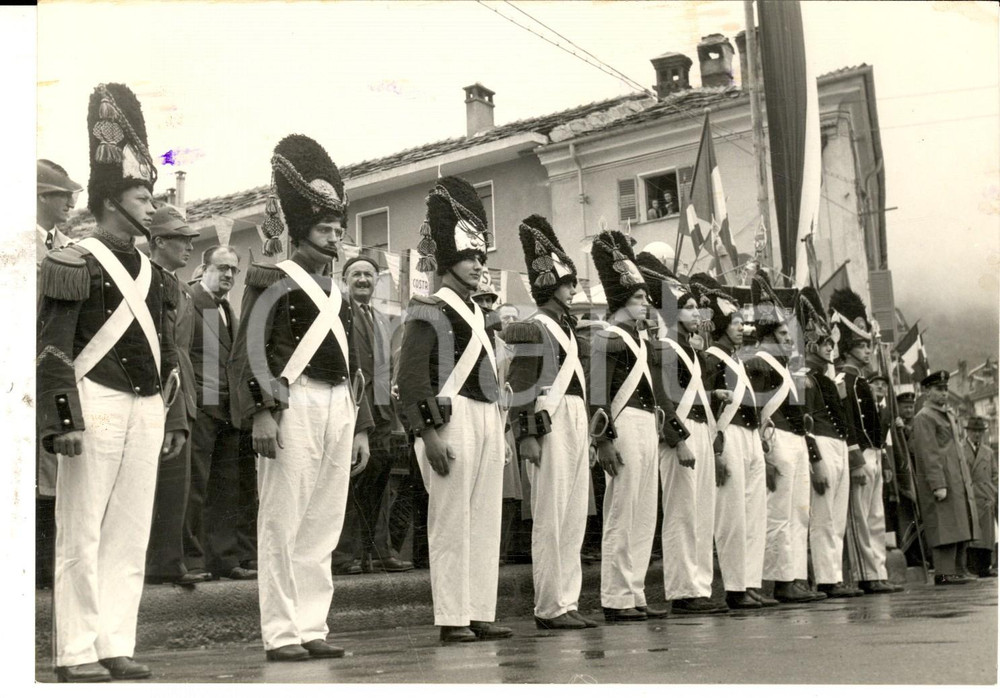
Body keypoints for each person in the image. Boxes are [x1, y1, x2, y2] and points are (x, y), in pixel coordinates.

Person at [38, 83, 185, 682]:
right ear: (111, 200)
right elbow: (52, 349)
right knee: (83, 528)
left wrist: (173, 417)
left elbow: (167, 351)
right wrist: (61, 422)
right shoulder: (73, 259)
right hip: (92, 398)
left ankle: (115, 643)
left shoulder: (154, 270)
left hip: (147, 405)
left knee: (130, 529)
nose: (151, 206)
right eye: (141, 194)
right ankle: (75, 650)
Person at [231, 134, 373, 661]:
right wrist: (262, 413)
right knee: (283, 520)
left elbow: (355, 363)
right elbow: (250, 348)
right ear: (301, 230)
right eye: (324, 229)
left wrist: (360, 425)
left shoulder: (338, 293)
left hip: (338, 405)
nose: (334, 238)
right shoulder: (271, 276)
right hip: (291, 403)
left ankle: (314, 626)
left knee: (323, 523)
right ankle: (282, 632)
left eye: (338, 229)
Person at [397, 176, 510, 643]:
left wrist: (499, 429)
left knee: (484, 519)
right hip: (450, 418)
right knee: (450, 520)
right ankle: (451, 616)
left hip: (485, 417)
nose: (477, 264)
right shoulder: (429, 308)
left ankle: (480, 610)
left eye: (480, 256)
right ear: (448, 261)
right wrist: (429, 436)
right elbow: (411, 380)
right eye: (468, 256)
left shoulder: (479, 316)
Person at [505, 215, 595, 630]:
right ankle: (549, 605)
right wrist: (525, 435)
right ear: (550, 286)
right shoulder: (531, 328)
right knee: (551, 516)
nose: (574, 290)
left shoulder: (568, 329)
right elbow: (521, 387)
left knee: (574, 515)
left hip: (573, 417)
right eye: (568, 284)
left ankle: (568, 599)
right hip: (547, 421)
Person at [588, 231, 664, 623]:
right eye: (638, 298)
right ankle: (616, 596)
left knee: (644, 514)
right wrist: (603, 441)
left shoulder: (640, 340)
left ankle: (634, 591)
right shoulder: (606, 337)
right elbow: (597, 396)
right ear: (620, 302)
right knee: (622, 511)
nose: (645, 304)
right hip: (623, 424)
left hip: (646, 426)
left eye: (646, 298)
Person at [644, 266, 728, 615]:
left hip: (700, 434)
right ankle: (682, 591)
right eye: (690, 307)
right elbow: (662, 398)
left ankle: (701, 587)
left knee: (702, 515)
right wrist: (677, 441)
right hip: (681, 438)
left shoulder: (693, 352)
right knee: (682, 514)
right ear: (673, 312)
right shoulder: (664, 348)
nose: (698, 313)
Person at [745, 271, 824, 603]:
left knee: (799, 512)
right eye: (781, 333)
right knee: (779, 513)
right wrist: (764, 452)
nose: (789, 339)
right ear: (767, 335)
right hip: (776, 441)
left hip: (795, 442)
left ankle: (795, 576)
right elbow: (755, 410)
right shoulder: (758, 364)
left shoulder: (785, 367)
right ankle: (781, 580)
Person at [333, 255, 414, 574]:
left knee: (380, 483)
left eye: (368, 274)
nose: (362, 280)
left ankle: (379, 551)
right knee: (352, 482)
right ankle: (343, 555)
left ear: (377, 280)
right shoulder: (340, 313)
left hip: (382, 411)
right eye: (356, 274)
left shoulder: (382, 318)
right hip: (352, 408)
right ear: (345, 280)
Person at [698, 272, 773, 609]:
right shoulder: (712, 358)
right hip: (728, 437)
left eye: (743, 323)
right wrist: (715, 447)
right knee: (732, 516)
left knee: (754, 512)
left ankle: (750, 581)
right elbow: (709, 407)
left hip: (750, 437)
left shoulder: (737, 360)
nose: (742, 328)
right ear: (721, 326)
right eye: (735, 323)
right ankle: (735, 586)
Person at [185, 244, 258, 582]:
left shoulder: (229, 310)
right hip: (200, 408)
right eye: (222, 267)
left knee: (227, 489)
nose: (228, 275)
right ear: (205, 267)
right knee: (194, 487)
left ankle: (224, 559)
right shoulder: (189, 301)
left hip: (229, 411)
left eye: (233, 270)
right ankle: (192, 560)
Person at [144, 205, 207, 586]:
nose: (188, 247)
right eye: (181, 240)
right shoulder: (147, 281)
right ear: (158, 241)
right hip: (155, 389)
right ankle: (158, 560)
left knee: (176, 483)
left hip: (182, 391)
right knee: (157, 479)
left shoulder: (182, 288)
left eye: (190, 240)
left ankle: (168, 559)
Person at [829, 289, 902, 594]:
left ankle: (878, 571)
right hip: (859, 459)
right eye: (860, 345)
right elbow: (847, 424)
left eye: (868, 344)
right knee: (859, 517)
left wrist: (879, 458)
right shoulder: (843, 382)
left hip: (873, 455)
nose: (867, 350)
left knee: (875, 517)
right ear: (846, 349)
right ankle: (865, 574)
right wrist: (857, 459)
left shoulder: (861, 382)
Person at [35, 159, 83, 590]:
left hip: (52, 372)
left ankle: (47, 573)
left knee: (53, 469)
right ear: (38, 196)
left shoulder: (70, 248)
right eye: (61, 194)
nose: (71, 202)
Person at [797, 288, 863, 599]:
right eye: (824, 343)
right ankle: (825, 578)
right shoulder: (808, 378)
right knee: (823, 517)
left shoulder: (828, 377)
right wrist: (815, 460)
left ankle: (834, 575)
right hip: (821, 444)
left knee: (837, 516)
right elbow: (805, 423)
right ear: (811, 344)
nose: (830, 348)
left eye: (831, 343)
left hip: (837, 444)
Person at [909, 371, 980, 585]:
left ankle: (959, 568)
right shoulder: (924, 417)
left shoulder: (946, 414)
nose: (944, 393)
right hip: (942, 478)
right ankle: (944, 571)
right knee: (944, 526)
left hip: (956, 477)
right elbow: (928, 453)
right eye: (939, 389)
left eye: (945, 389)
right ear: (927, 392)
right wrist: (937, 484)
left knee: (959, 523)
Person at [964, 417, 997, 577]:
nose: (977, 434)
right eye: (974, 431)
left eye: (980, 431)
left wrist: (993, 494)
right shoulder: (960, 450)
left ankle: (985, 567)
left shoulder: (988, 452)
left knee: (986, 534)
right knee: (972, 534)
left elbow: (995, 475)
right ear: (967, 432)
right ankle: (972, 567)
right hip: (969, 497)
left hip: (985, 497)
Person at [36, 158, 82, 261]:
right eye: (64, 195)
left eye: (71, 196)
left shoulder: (70, 246)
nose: (71, 205)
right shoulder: (14, 244)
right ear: (43, 196)